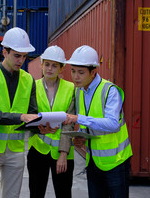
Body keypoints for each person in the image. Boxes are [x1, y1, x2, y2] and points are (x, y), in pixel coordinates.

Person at [0, 27, 40, 198]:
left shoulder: (28, 80)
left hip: (16, 150)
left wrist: (41, 127)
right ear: (5, 52)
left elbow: (32, 114)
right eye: (17, 55)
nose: (21, 60)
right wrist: (21, 117)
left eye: (24, 56)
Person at [64, 45, 133, 198]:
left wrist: (78, 119)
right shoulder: (79, 91)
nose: (75, 77)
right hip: (93, 161)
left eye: (81, 72)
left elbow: (113, 124)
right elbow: (88, 122)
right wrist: (80, 136)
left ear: (93, 72)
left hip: (116, 162)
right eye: (73, 71)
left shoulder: (110, 91)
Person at [27, 45, 75, 198]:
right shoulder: (32, 87)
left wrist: (63, 153)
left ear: (61, 68)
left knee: (64, 194)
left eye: (54, 65)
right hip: (38, 150)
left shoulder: (70, 88)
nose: (50, 68)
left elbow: (70, 124)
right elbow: (28, 115)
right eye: (47, 64)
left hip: (62, 152)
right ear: (41, 65)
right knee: (36, 193)